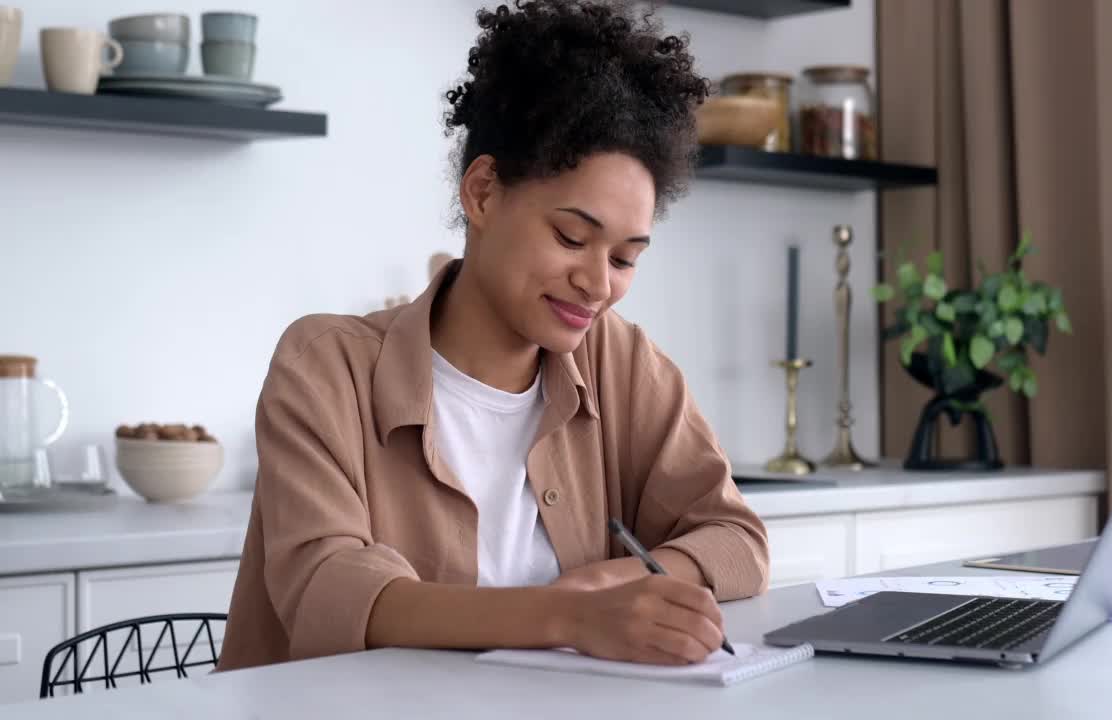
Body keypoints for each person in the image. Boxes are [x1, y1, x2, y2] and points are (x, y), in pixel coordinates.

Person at [217, 0, 768, 672]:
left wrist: (607, 584)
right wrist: (568, 616)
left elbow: (737, 539)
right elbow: (329, 591)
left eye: (625, 258)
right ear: (481, 193)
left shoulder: (620, 361)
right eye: (572, 237)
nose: (599, 284)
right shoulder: (326, 365)